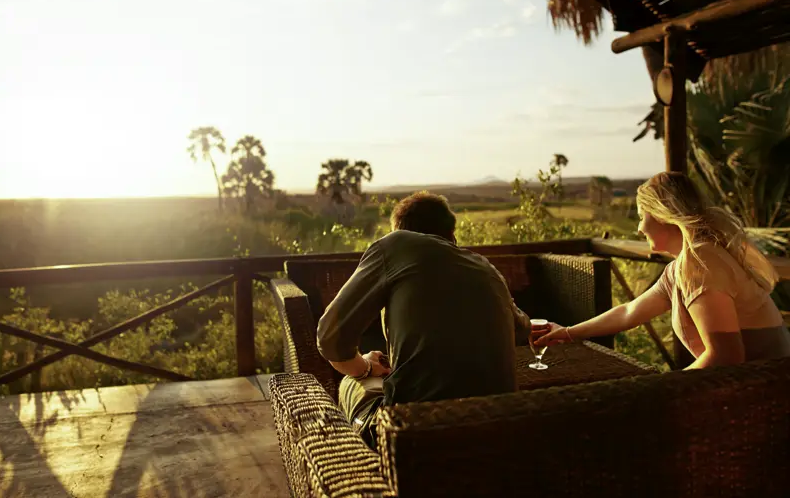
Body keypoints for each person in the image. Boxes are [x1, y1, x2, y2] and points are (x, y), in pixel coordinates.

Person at [316, 191, 532, 448]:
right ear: (452, 235)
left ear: (399, 230)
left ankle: (360, 465)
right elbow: (521, 330)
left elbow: (330, 338)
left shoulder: (395, 245)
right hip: (496, 427)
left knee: (351, 382)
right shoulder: (485, 265)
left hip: (414, 431)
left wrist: (365, 367)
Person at [535, 171, 790, 368]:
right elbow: (629, 312)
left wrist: (665, 390)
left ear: (661, 215)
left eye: (640, 216)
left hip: (767, 396)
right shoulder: (684, 264)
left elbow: (726, 357)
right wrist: (567, 333)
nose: (639, 228)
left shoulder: (701, 261)